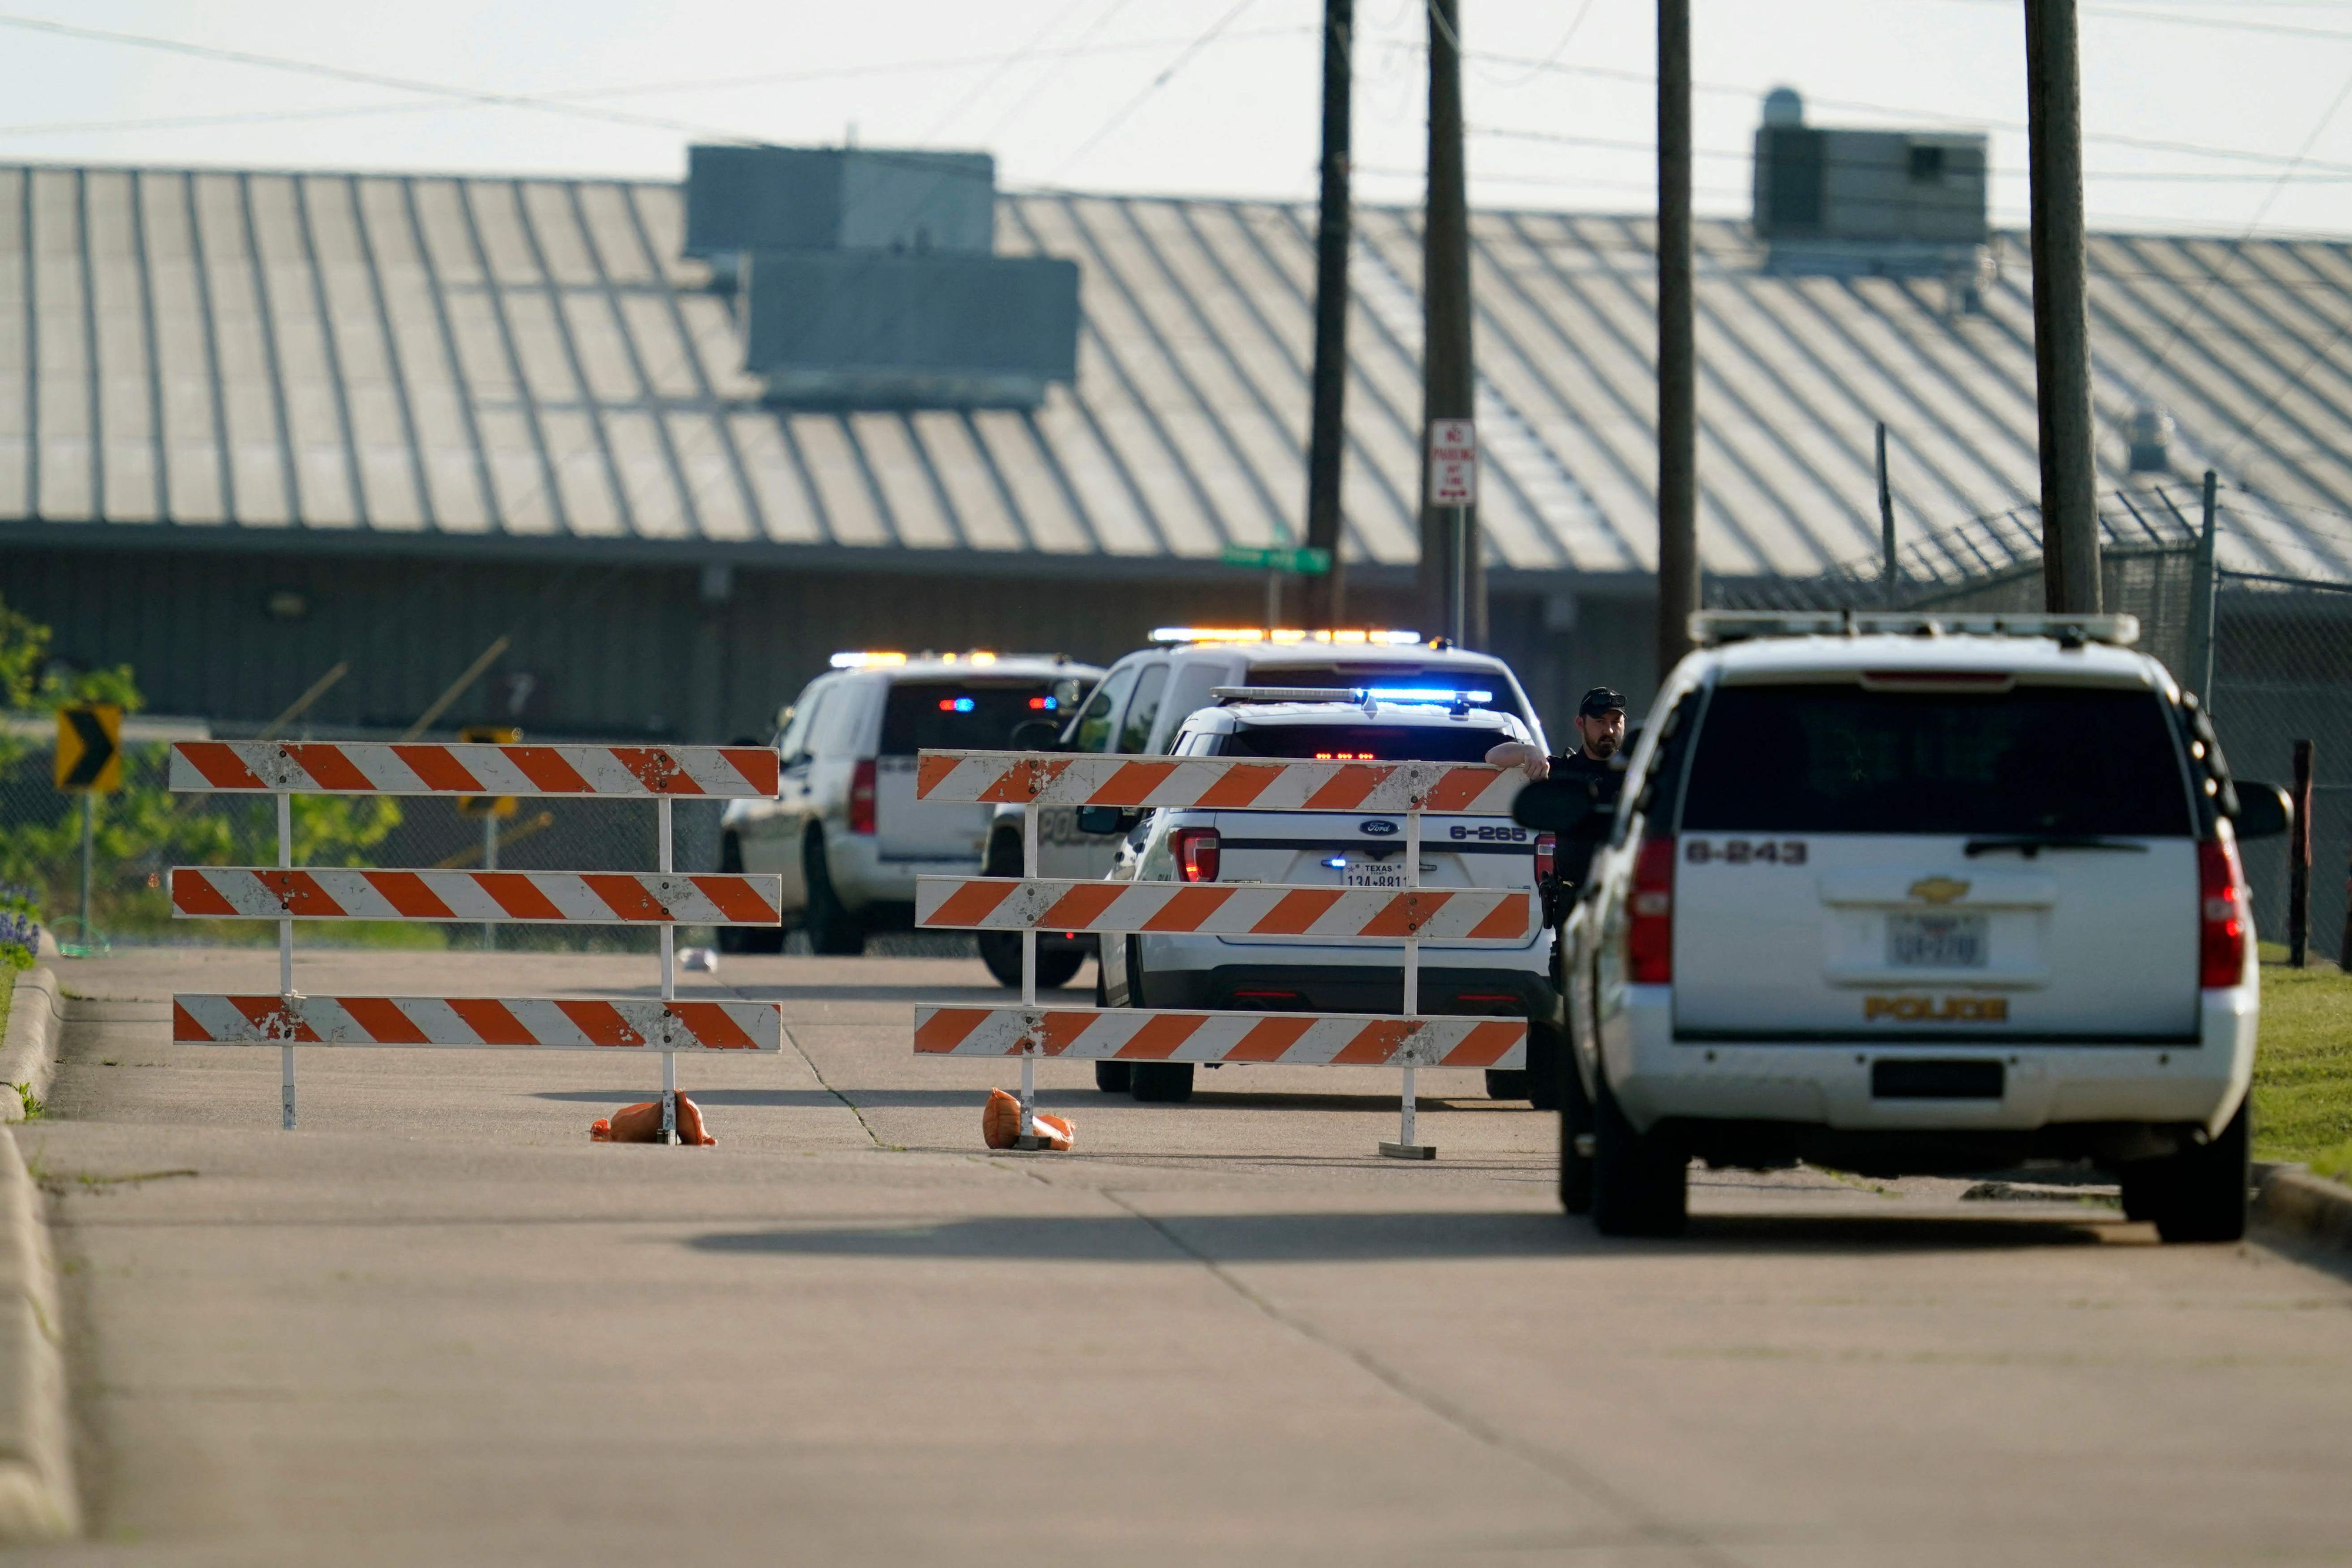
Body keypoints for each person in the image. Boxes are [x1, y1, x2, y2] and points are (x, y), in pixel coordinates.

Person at [1486, 687, 1626, 785]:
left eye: (1616, 722)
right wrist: (1528, 751)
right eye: (1600, 722)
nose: (1609, 731)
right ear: (1580, 724)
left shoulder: (1635, 778)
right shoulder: (1561, 771)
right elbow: (1492, 756)